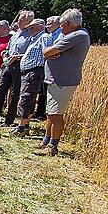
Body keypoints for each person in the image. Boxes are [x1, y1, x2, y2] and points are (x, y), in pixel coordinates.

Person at [37, 9, 91, 156]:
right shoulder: (72, 35)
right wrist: (53, 52)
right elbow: (51, 52)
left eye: (61, 25)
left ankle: (53, 146)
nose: (60, 28)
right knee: (50, 113)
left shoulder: (78, 35)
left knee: (56, 114)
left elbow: (47, 52)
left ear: (67, 23)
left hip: (63, 81)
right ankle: (46, 141)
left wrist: (51, 52)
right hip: (56, 80)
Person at [0, 10, 35, 126]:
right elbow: (8, 49)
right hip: (7, 65)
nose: (18, 21)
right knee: (0, 91)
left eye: (21, 20)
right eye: (19, 19)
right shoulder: (15, 34)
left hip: (19, 66)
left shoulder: (30, 36)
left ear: (28, 21)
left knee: (15, 93)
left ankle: (9, 120)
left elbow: (29, 53)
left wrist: (17, 57)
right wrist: (5, 54)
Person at [12, 19, 47, 137]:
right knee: (27, 98)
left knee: (26, 98)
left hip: (34, 72)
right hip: (29, 72)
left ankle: (21, 127)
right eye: (29, 28)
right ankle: (24, 125)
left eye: (32, 28)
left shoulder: (44, 37)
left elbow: (46, 53)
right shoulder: (34, 39)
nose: (29, 30)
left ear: (40, 27)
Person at [34, 16, 62, 121]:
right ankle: (42, 113)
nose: (47, 26)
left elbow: (54, 53)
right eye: (47, 23)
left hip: (55, 69)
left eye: (50, 23)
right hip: (47, 67)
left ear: (57, 24)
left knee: (47, 93)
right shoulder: (50, 35)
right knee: (43, 91)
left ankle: (45, 115)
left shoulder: (60, 35)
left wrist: (48, 54)